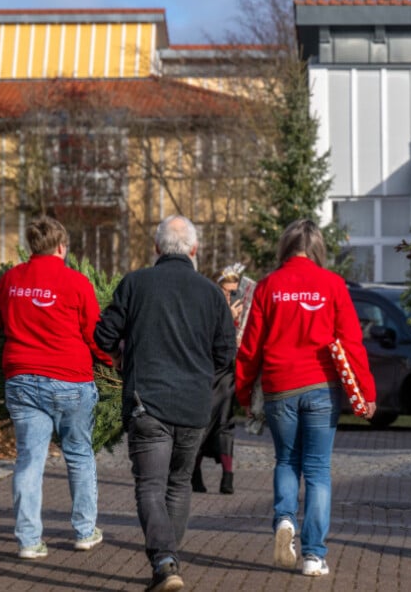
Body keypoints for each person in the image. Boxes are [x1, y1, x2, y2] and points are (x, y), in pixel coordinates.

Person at [95, 215, 236, 592]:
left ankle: (164, 561)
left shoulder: (135, 284)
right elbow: (226, 354)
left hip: (147, 401)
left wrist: (122, 352)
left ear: (156, 248)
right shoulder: (211, 294)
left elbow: (103, 334)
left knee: (150, 486)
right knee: (178, 485)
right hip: (194, 405)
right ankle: (168, 561)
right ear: (194, 250)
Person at [235, 219, 377, 577]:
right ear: (317, 249)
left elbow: (250, 347)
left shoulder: (268, 287)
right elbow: (351, 343)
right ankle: (314, 555)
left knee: (285, 460)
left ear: (285, 247)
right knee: (317, 471)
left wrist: (242, 390)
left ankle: (284, 519)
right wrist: (366, 391)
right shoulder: (332, 285)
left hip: (280, 386)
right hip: (321, 388)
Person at [0, 216, 111, 560]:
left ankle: (29, 540)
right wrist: (111, 362)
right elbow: (93, 333)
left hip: (23, 378)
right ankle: (85, 531)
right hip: (70, 378)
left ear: (32, 246)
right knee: (79, 454)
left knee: (29, 460)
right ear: (61, 246)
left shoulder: (12, 279)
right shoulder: (76, 282)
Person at [191, 263, 246, 495]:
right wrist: (226, 320)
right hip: (205, 373)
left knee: (225, 424)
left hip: (226, 377)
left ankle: (228, 476)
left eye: (233, 292)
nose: (229, 296)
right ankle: (195, 472)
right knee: (203, 424)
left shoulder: (238, 312)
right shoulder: (204, 306)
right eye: (225, 290)